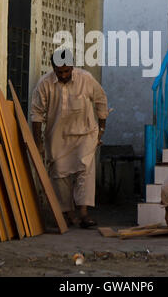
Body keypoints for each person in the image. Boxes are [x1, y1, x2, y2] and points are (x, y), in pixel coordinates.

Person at [31, 48, 109, 228]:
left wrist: (102, 128)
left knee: (85, 170)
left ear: (72, 67)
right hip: (57, 135)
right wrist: (38, 143)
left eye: (67, 71)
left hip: (86, 133)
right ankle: (68, 213)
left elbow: (101, 100)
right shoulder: (44, 84)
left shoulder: (86, 78)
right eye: (60, 72)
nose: (64, 75)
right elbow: (36, 114)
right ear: (53, 69)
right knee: (59, 173)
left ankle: (83, 213)